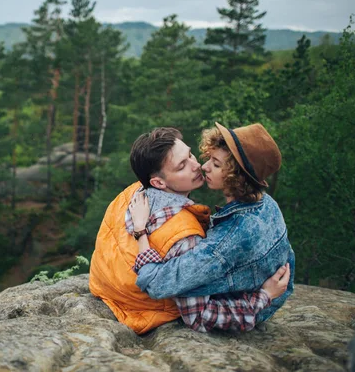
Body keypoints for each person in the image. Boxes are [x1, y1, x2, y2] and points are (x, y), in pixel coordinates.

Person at [89, 126, 289, 334]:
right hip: (140, 308)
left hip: (102, 284)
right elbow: (197, 314)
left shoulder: (133, 191)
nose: (199, 166)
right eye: (182, 165)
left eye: (191, 155)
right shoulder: (187, 237)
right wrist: (264, 296)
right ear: (157, 182)